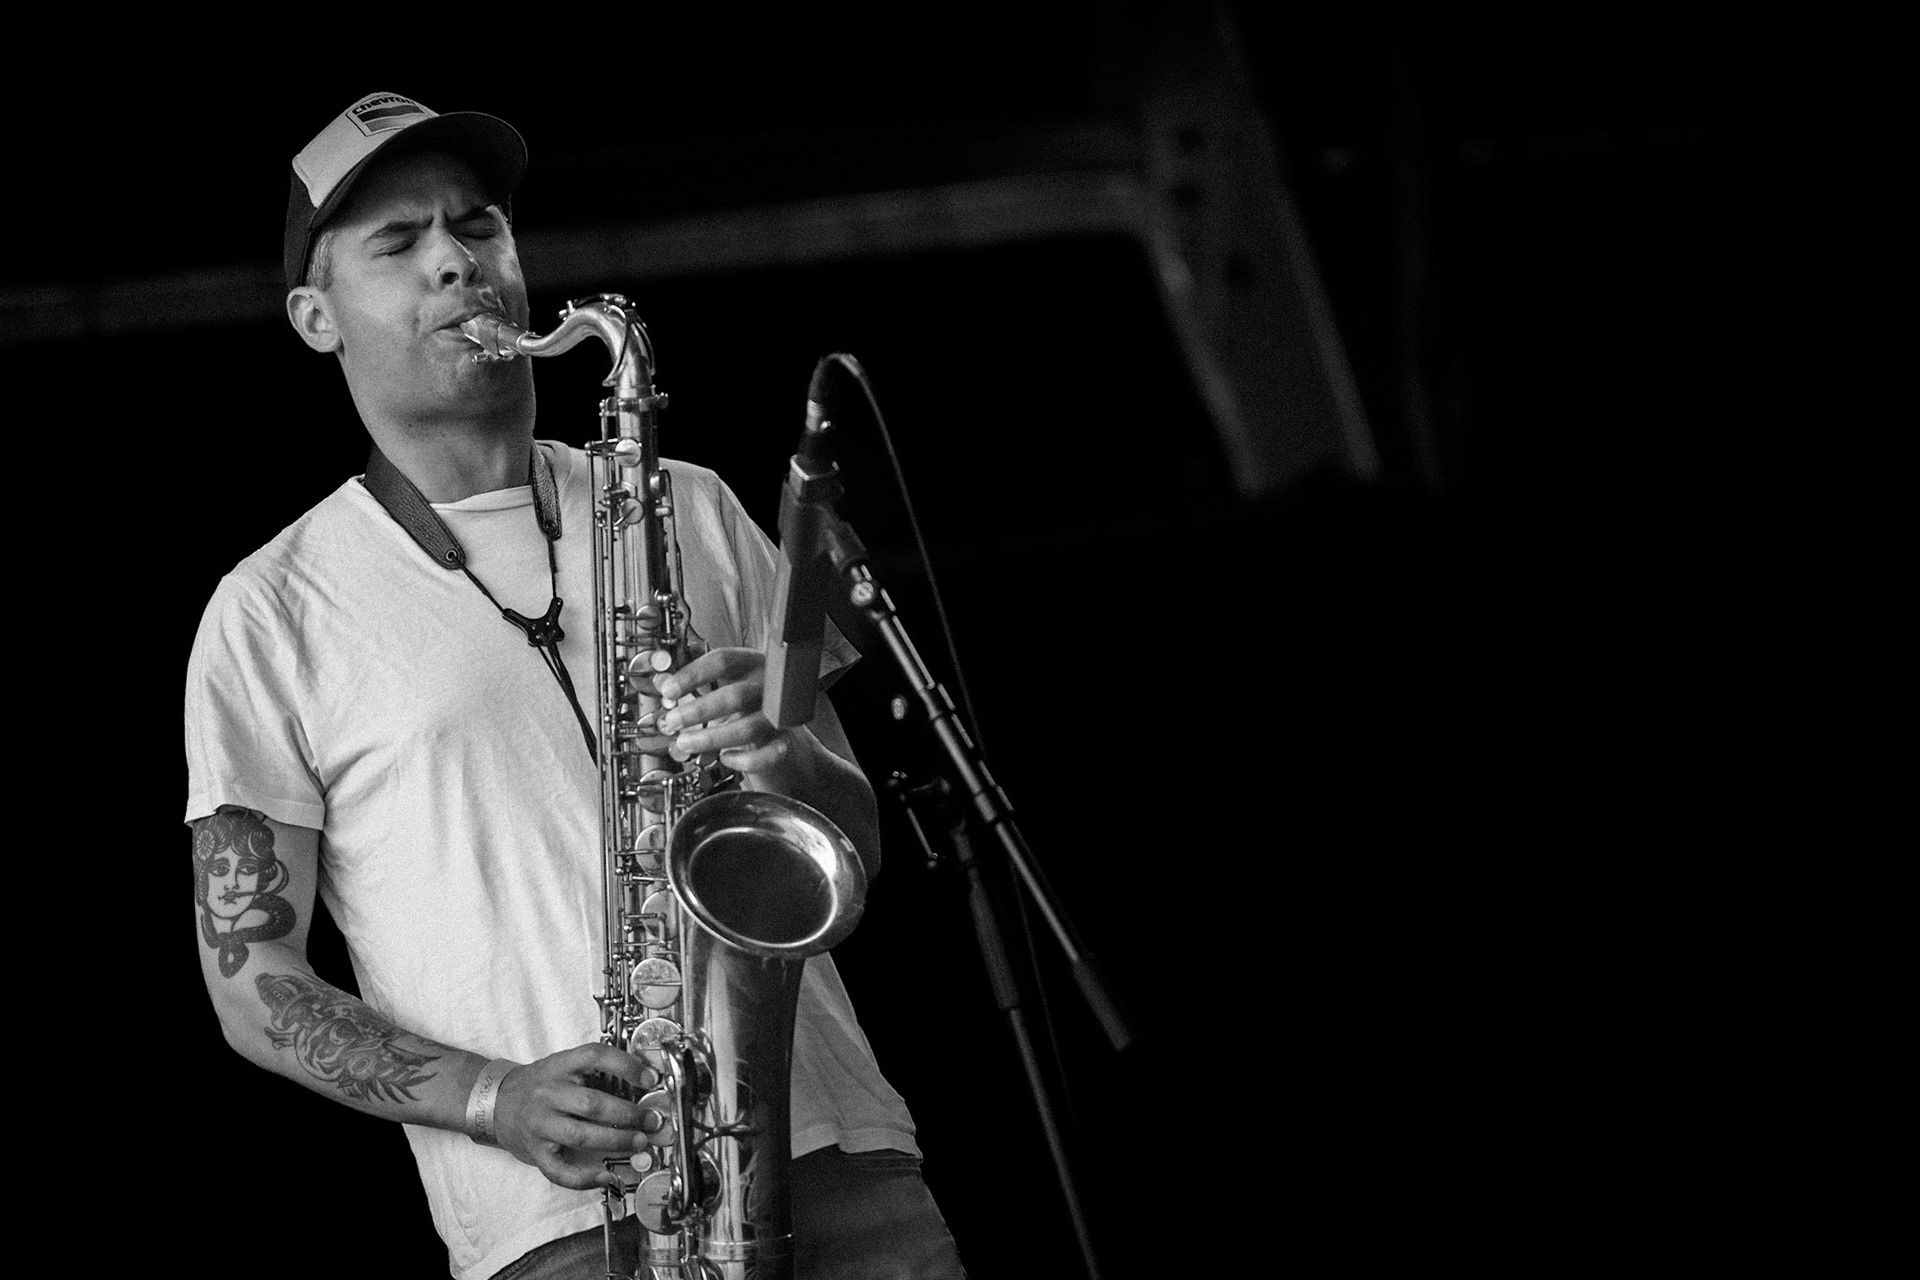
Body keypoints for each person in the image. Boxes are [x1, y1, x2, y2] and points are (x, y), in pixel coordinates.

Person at [184, 91, 968, 1280]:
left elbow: (853, 844)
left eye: (479, 225)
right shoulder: (273, 609)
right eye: (399, 244)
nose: (458, 260)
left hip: (837, 1151)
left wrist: (789, 760)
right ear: (314, 316)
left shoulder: (694, 504)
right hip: (566, 1223)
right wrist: (496, 1096)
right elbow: (253, 980)